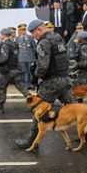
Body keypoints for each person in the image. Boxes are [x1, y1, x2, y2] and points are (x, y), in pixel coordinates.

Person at [15, 19, 76, 148]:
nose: (32, 35)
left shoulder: (44, 42)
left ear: (39, 30)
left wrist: (35, 76)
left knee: (38, 108)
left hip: (51, 82)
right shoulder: (58, 38)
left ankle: (31, 141)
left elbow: (43, 66)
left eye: (33, 32)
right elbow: (66, 57)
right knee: (74, 107)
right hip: (64, 79)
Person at [0, 28, 29, 114]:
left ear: (3, 35)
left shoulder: (4, 45)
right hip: (16, 70)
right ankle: (35, 104)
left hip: (5, 72)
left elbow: (4, 58)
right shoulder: (14, 44)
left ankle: (0, 108)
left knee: (2, 89)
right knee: (23, 88)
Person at [16, 23, 36, 89]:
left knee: (31, 72)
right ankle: (27, 84)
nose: (23, 31)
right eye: (21, 30)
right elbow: (16, 49)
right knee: (24, 72)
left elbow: (34, 47)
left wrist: (34, 57)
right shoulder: (17, 38)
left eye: (24, 30)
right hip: (22, 58)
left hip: (30, 57)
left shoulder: (30, 37)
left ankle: (32, 84)